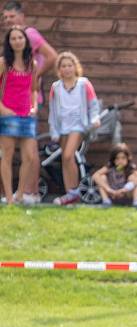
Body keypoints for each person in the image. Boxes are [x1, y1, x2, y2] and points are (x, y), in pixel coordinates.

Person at [3, 1, 56, 204]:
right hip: (11, 104)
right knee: (13, 150)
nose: (8, 21)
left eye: (12, 17)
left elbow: (52, 56)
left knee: (30, 149)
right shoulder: (10, 42)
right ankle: (19, 194)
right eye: (5, 18)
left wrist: (34, 76)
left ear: (22, 16)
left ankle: (31, 193)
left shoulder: (30, 34)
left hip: (30, 101)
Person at [48, 51, 100, 206]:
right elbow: (53, 110)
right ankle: (71, 193)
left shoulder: (84, 83)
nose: (67, 69)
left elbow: (93, 105)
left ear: (75, 67)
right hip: (62, 126)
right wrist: (53, 130)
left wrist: (94, 118)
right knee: (66, 158)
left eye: (70, 65)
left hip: (79, 125)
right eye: (63, 66)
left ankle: (73, 191)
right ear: (59, 69)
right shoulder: (55, 87)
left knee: (68, 155)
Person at [0, 26, 37, 206]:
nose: (17, 41)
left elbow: (34, 90)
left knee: (29, 157)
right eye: (13, 38)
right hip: (8, 116)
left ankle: (20, 194)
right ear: (9, 43)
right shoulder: (3, 63)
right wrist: (2, 109)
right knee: (7, 156)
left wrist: (34, 106)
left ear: (25, 40)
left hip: (27, 116)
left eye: (20, 38)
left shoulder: (32, 64)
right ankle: (8, 199)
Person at [91, 143, 137, 208]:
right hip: (112, 194)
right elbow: (95, 176)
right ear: (113, 160)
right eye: (117, 158)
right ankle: (106, 201)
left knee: (133, 178)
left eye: (123, 158)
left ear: (128, 158)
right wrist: (108, 189)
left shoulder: (130, 167)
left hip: (125, 194)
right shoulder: (109, 167)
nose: (120, 161)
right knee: (102, 177)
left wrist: (125, 189)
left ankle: (136, 203)